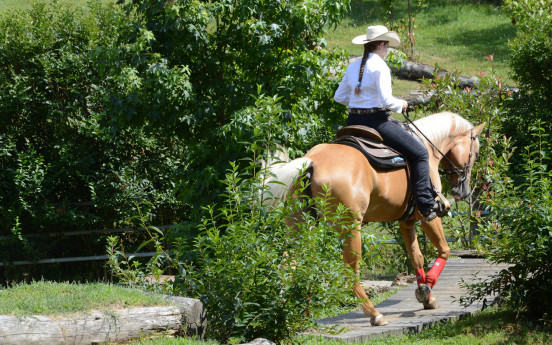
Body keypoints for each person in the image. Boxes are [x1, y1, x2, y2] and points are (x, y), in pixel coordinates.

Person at [334, 25, 445, 222]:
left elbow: (339, 97)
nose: (387, 50)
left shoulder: (353, 66)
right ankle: (427, 205)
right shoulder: (380, 66)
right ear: (381, 45)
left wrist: (358, 100)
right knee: (420, 153)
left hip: (352, 122)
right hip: (376, 122)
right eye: (387, 47)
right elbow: (386, 101)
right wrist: (401, 104)